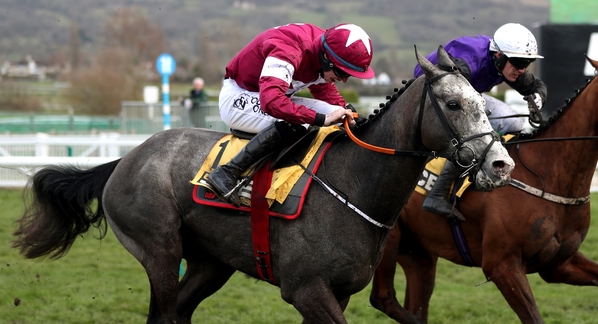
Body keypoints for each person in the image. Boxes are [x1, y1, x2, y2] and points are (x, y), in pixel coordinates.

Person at [210, 23, 375, 203]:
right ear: (326, 57)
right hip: (238, 97)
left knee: (338, 114)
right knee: (300, 122)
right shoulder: (289, 48)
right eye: (341, 72)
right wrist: (320, 118)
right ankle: (227, 172)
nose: (343, 80)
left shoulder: (324, 47)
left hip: (269, 95)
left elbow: (323, 88)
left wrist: (345, 112)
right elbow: (271, 102)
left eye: (348, 75)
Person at [413, 23, 548, 221]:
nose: (522, 69)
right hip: (434, 94)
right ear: (498, 55)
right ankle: (438, 192)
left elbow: (535, 84)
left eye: (527, 63)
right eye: (519, 62)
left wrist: (538, 97)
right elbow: (452, 99)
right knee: (474, 131)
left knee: (514, 122)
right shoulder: (469, 64)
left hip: (466, 95)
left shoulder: (504, 62)